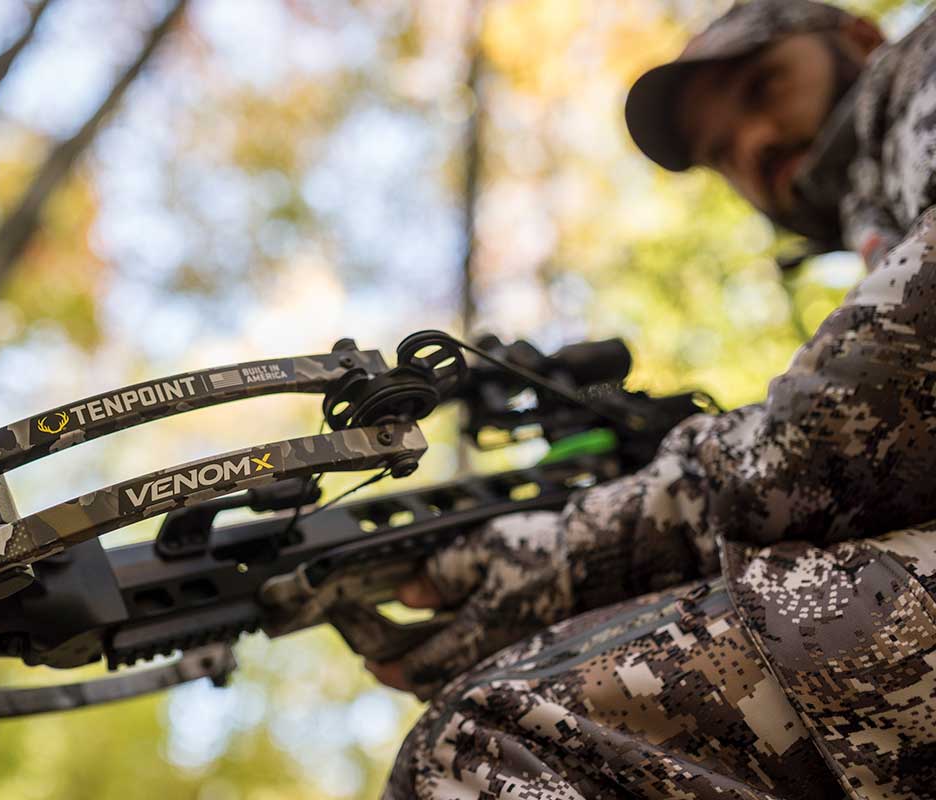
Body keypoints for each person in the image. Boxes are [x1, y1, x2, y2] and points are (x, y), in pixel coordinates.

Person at [364, 1, 936, 797]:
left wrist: (587, 548)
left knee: (497, 740)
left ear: (862, 39)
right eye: (718, 151)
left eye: (766, 85)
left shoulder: (921, 75)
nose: (752, 143)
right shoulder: (883, 198)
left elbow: (896, 374)